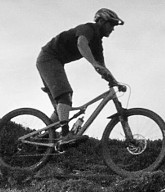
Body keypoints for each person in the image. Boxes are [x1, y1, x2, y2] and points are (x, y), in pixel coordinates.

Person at [37, 8, 123, 137]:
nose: (113, 28)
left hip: (55, 61)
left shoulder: (97, 43)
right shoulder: (88, 29)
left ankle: (44, 137)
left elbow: (102, 66)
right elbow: (81, 43)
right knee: (65, 95)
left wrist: (115, 82)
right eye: (111, 24)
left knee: (62, 106)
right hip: (48, 58)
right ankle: (65, 135)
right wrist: (93, 63)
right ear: (101, 21)